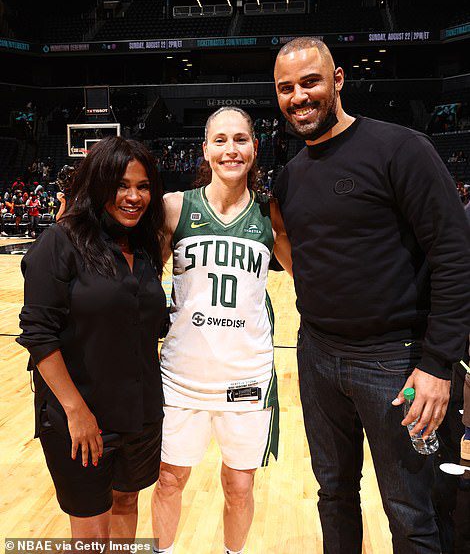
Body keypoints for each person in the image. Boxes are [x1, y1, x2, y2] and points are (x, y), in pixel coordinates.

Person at [273, 37, 470, 554]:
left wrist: (438, 364)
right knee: (333, 495)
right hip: (316, 357)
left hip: (396, 362)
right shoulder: (290, 178)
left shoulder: (400, 149)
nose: (299, 96)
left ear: (338, 80)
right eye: (286, 88)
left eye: (310, 81)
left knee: (413, 513)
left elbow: (455, 257)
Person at [152, 107, 291, 554]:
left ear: (254, 148)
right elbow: (133, 280)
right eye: (220, 140)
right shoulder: (175, 207)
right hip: (181, 377)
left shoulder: (271, 217)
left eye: (240, 140)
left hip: (246, 378)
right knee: (170, 479)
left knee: (239, 486)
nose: (231, 149)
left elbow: (311, 278)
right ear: (206, 148)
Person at [17, 136, 167, 540]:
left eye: (143, 186)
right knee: (90, 537)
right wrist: (76, 412)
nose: (133, 196)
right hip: (81, 419)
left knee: (127, 504)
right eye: (121, 185)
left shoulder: (146, 246)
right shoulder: (61, 241)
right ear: (98, 184)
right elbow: (38, 333)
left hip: (141, 415)